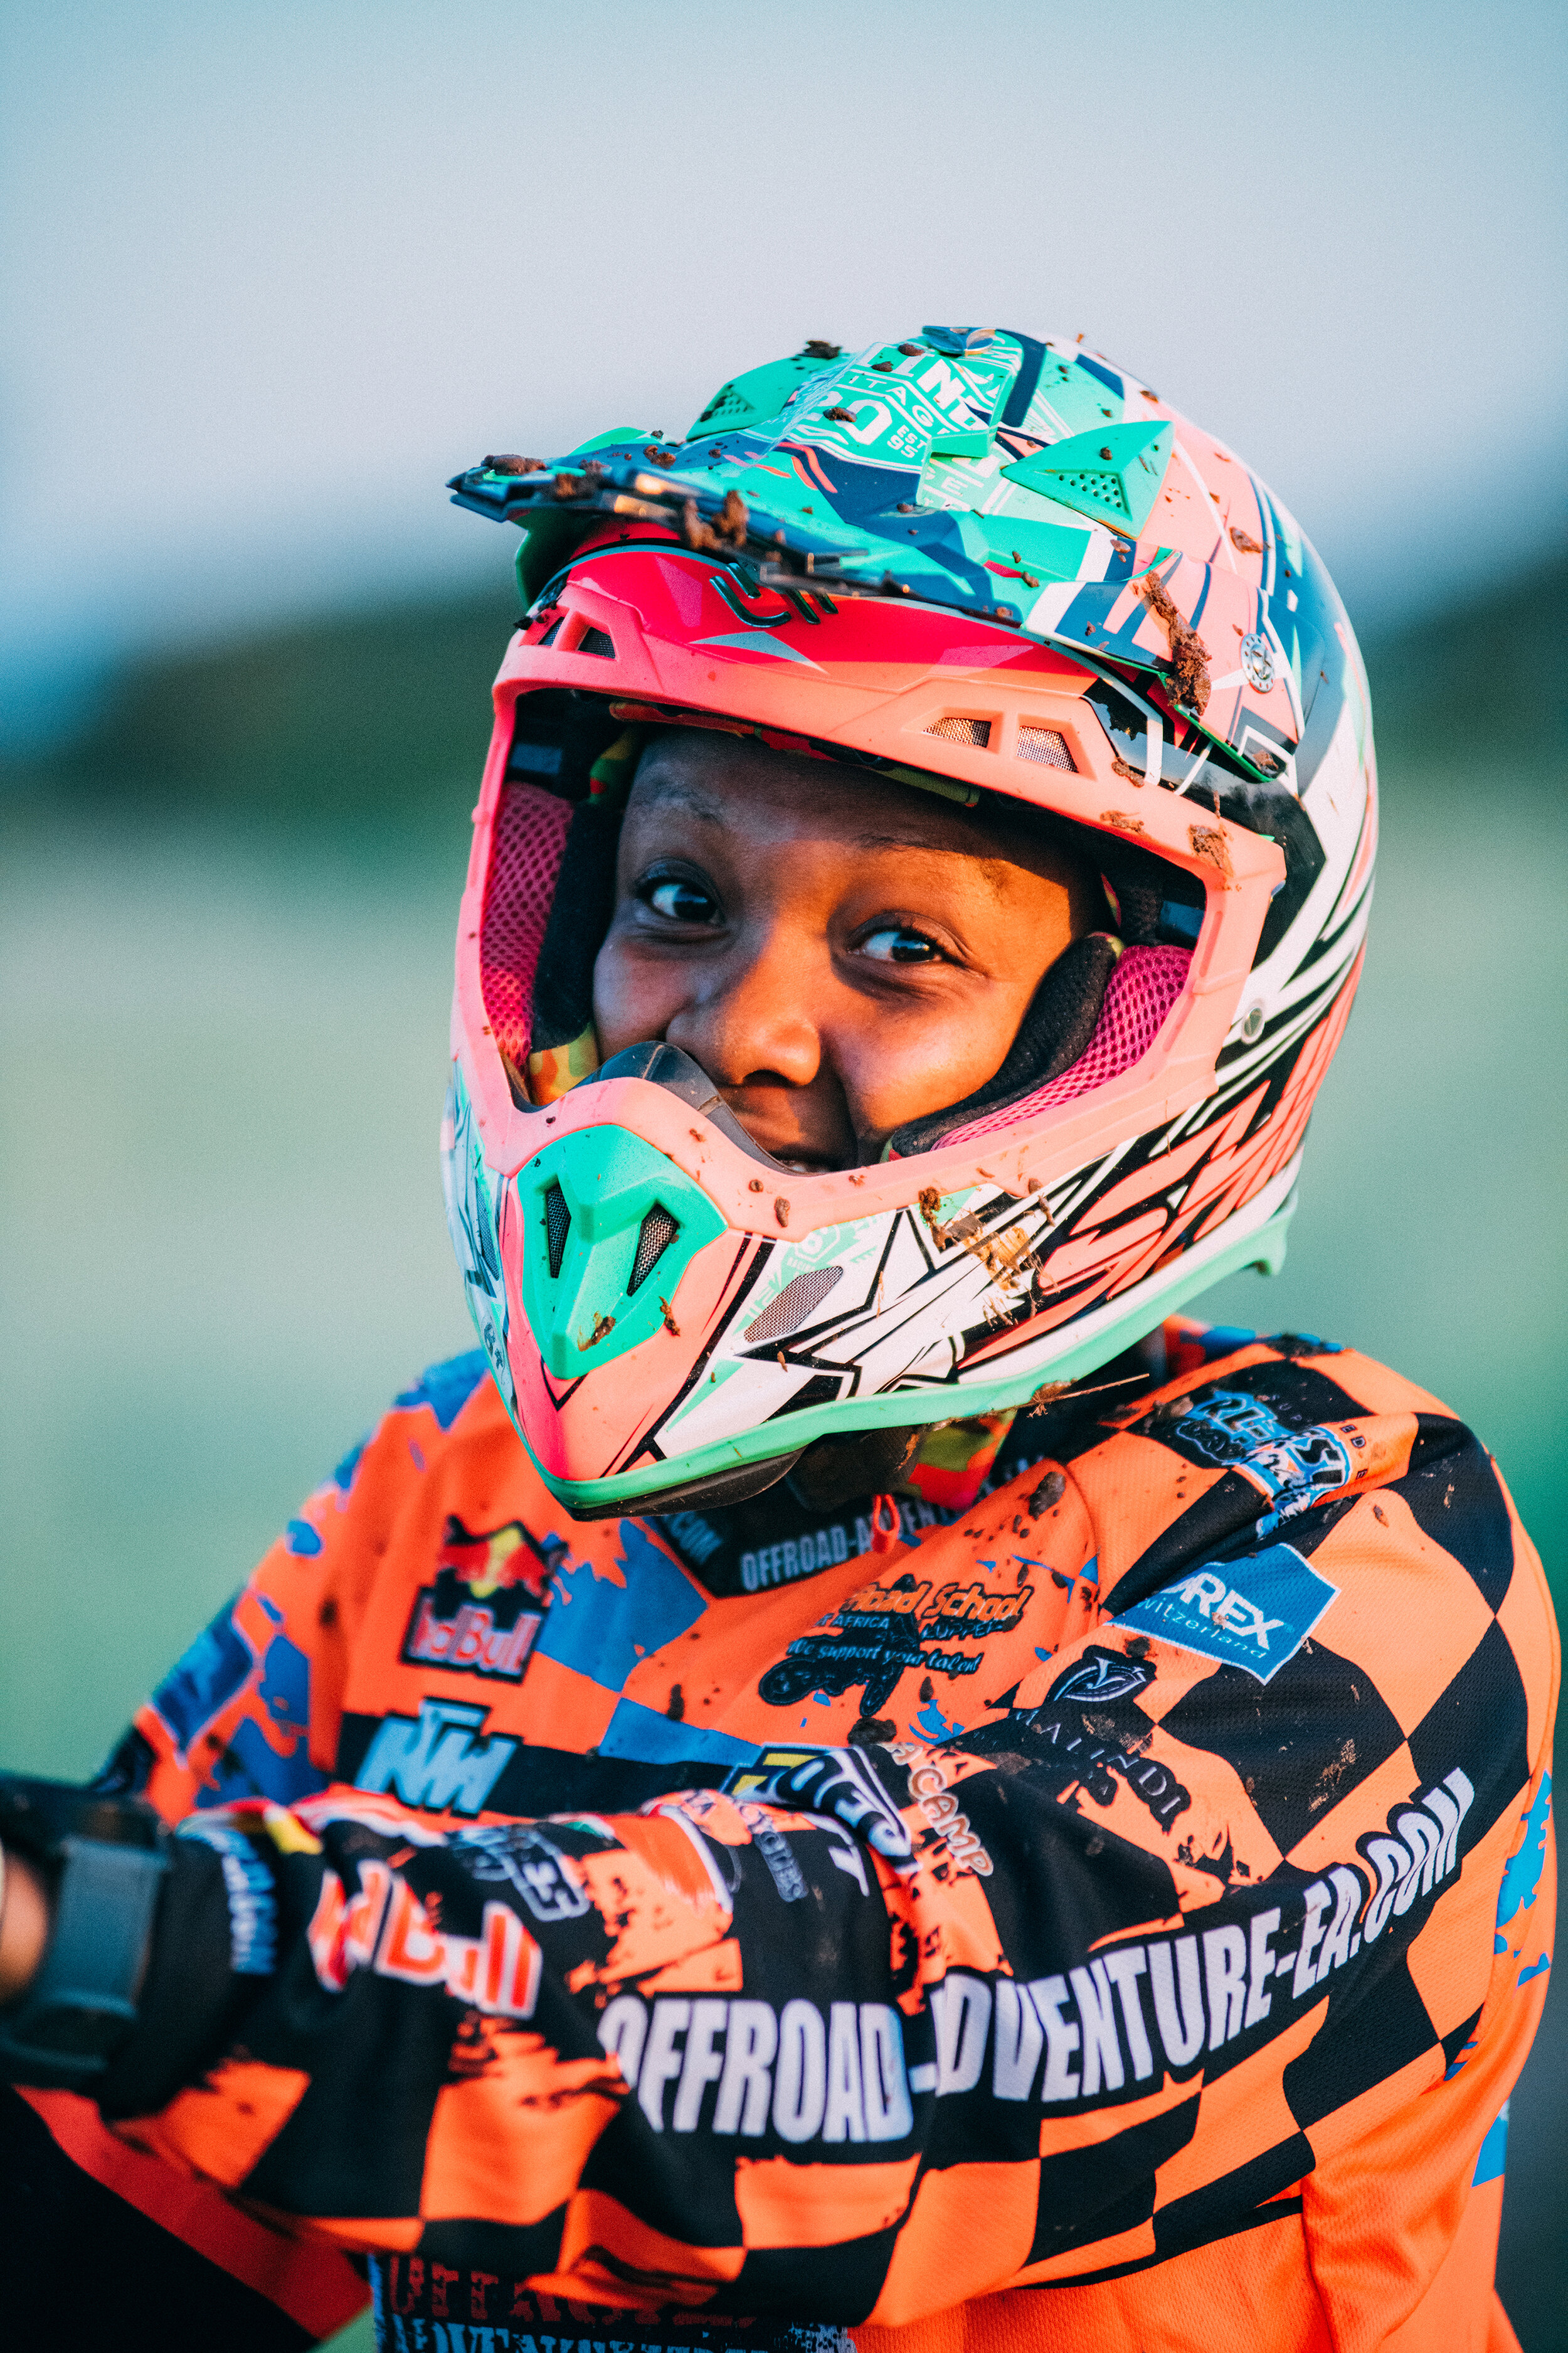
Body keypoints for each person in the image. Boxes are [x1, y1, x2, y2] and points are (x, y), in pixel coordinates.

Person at [0, 326, 1555, 2353]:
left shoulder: (1344, 1538)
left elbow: (893, 2037)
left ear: (1133, 1028)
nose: (733, 1026)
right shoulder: (443, 1501)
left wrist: (104, 1933)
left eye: (899, 946)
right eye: (674, 898)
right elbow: (99, 2209)